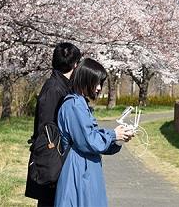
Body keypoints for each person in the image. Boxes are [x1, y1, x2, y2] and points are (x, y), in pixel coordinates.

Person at [54, 58, 133, 207]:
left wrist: (118, 139)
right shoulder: (73, 104)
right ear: (85, 80)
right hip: (78, 169)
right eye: (95, 83)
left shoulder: (80, 103)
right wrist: (113, 135)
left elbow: (93, 137)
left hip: (86, 168)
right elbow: (89, 141)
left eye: (100, 83)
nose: (98, 88)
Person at [25, 42, 82, 206]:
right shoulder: (54, 88)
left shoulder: (62, 85)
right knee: (50, 201)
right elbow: (46, 128)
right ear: (75, 64)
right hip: (52, 157)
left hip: (56, 155)